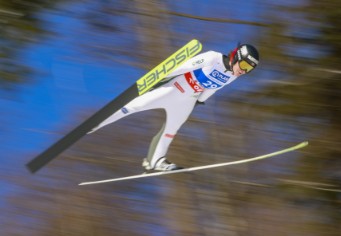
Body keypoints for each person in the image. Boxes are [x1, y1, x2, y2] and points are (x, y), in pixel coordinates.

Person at [89, 42, 259, 172]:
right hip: (172, 89)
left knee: (171, 130)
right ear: (236, 57)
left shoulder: (232, 77)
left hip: (188, 100)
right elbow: (185, 66)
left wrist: (200, 100)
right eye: (244, 66)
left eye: (249, 70)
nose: (244, 71)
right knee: (133, 106)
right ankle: (96, 123)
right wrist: (160, 76)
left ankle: (156, 160)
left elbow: (213, 88)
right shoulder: (213, 58)